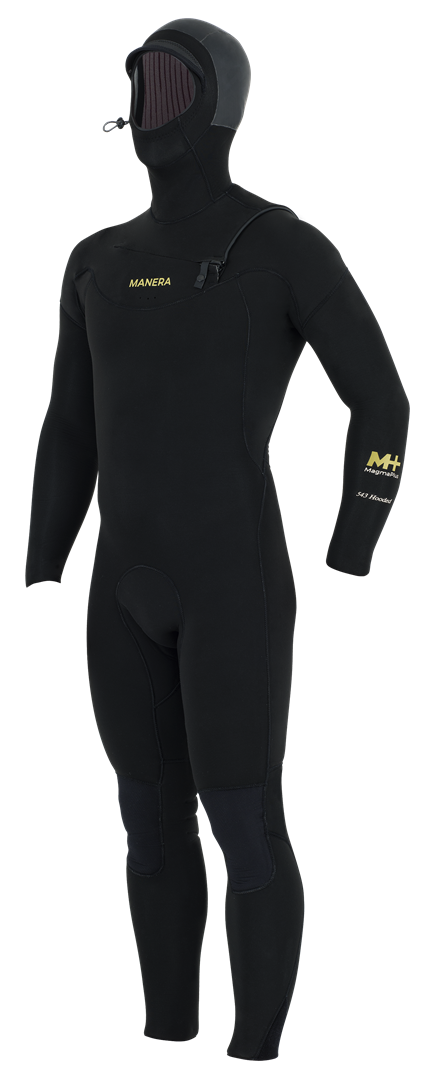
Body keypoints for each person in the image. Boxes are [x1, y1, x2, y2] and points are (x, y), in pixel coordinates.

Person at [25, 17, 409, 1060]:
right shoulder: (95, 259)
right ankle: (163, 1033)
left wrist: (354, 541)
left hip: (231, 580)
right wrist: (44, 563)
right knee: (148, 826)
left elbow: (382, 404)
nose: (150, 105)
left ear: (219, 105)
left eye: (172, 85)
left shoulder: (279, 244)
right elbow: (68, 429)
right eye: (140, 83)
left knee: (243, 823)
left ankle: (255, 1050)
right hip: (118, 586)